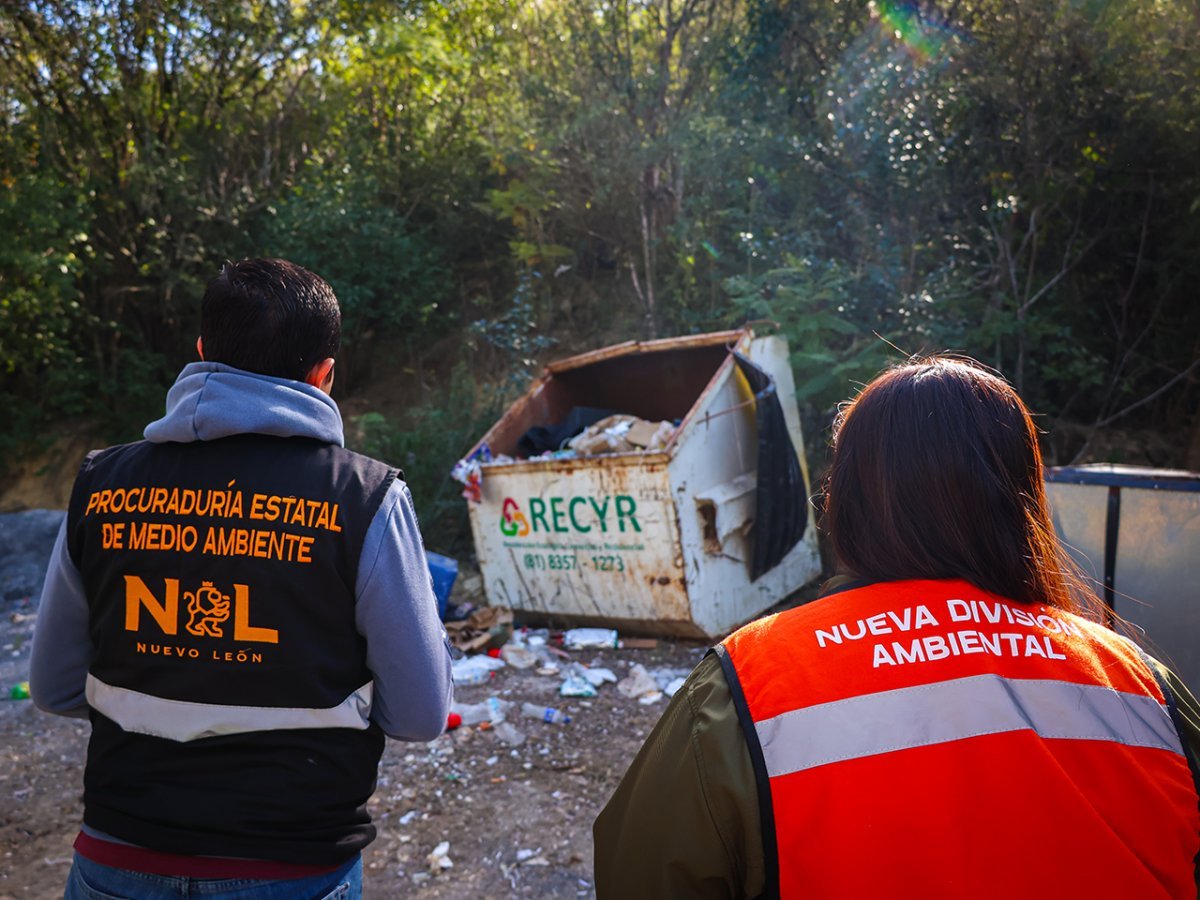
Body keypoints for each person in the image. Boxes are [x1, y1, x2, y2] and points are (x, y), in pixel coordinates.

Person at [594, 356, 1200, 899]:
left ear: (848, 499)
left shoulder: (751, 681)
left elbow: (642, 872)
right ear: (1024, 497)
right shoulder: (1140, 685)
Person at [30, 258, 453, 899]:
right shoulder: (364, 500)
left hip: (116, 861)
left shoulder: (101, 486)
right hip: (293, 868)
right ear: (323, 375)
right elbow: (421, 714)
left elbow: (54, 688)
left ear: (202, 353)